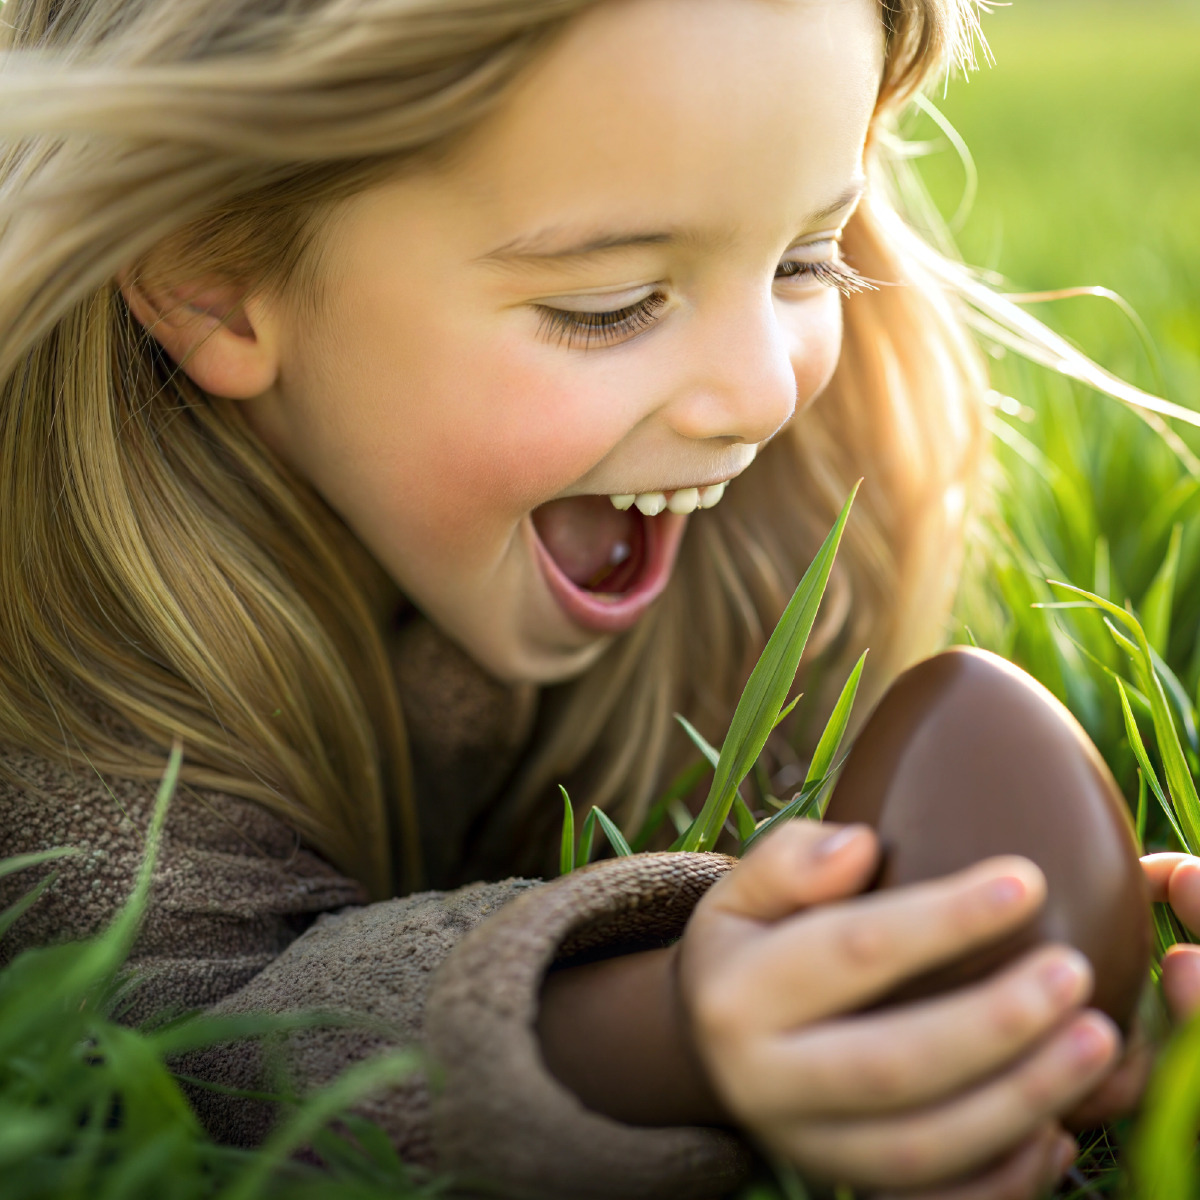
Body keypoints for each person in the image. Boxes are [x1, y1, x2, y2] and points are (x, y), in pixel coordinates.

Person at [1, 0, 1198, 1196]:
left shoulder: (786, 524)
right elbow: (180, 1041)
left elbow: (819, 870)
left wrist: (999, 994)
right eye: (609, 304)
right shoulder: (61, 621)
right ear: (215, 282)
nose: (759, 392)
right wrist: (672, 1033)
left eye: (803, 261)